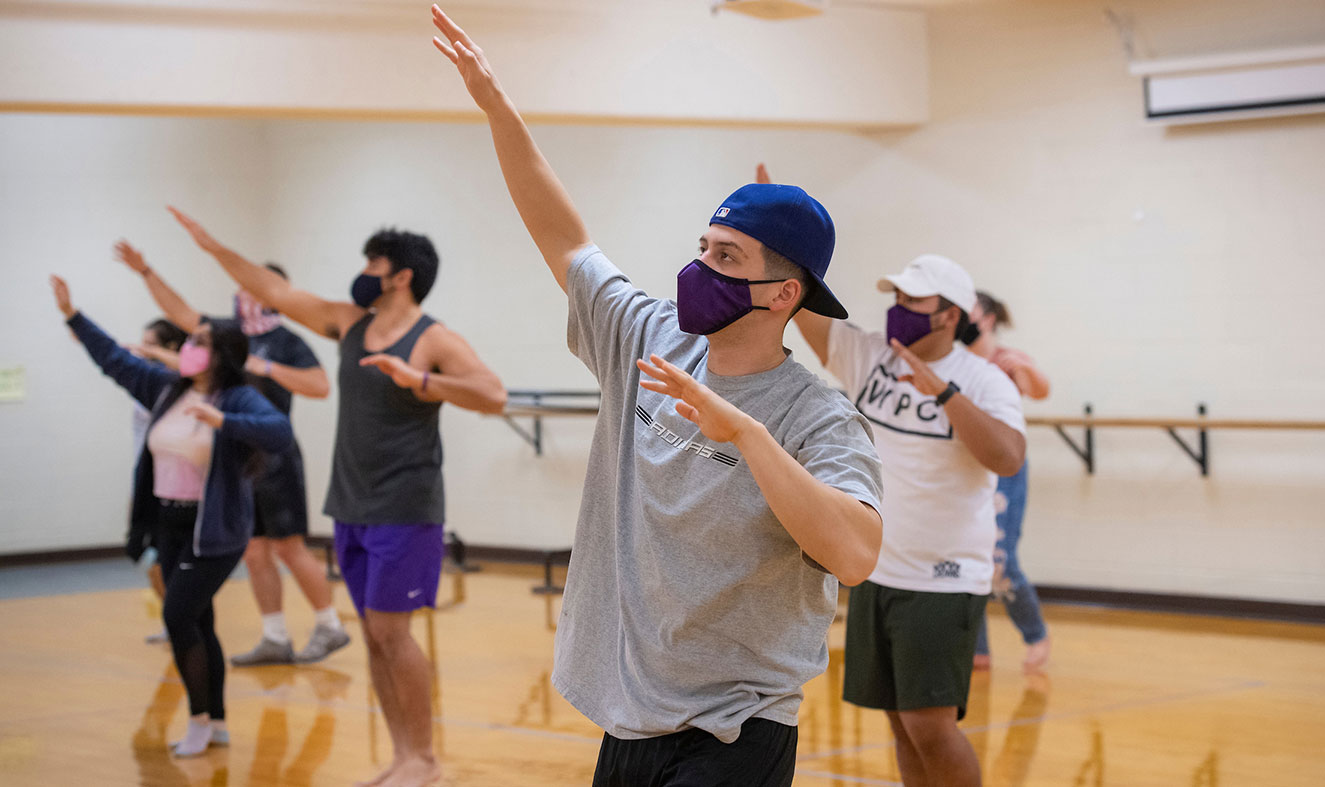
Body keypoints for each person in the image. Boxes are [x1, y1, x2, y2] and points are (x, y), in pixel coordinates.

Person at [431, 8, 885, 784]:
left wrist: (745, 434)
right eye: (703, 246)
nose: (700, 266)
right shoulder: (647, 336)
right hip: (633, 709)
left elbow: (855, 552)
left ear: (781, 295)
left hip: (739, 721)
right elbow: (563, 234)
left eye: (726, 255)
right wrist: (496, 106)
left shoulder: (817, 415)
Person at [164, 206, 508, 787]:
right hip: (351, 506)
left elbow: (492, 395)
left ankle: (425, 761)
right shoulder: (349, 323)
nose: (364, 270)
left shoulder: (434, 338)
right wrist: (211, 246)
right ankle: (402, 758)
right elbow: (274, 288)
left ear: (400, 275)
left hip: (406, 508)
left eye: (374, 261)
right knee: (374, 636)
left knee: (394, 635)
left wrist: (422, 381)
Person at [791, 252, 1026, 787]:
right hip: (876, 571)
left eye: (913, 300)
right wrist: (787, 246)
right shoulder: (870, 355)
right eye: (895, 298)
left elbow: (1008, 457)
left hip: (941, 578)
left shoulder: (983, 380)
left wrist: (943, 393)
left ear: (949, 315)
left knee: (931, 729)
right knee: (900, 725)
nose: (898, 309)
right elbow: (803, 309)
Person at [50, 275, 293, 758]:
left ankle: (199, 719)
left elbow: (279, 431)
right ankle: (218, 722)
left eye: (200, 343)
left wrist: (225, 422)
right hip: (169, 523)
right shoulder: (166, 390)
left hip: (215, 531)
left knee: (177, 613)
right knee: (199, 622)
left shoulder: (236, 398)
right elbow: (115, 361)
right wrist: (73, 316)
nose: (189, 348)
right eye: (190, 342)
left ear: (222, 354)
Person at [114, 240, 349, 665]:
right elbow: (182, 313)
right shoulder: (230, 332)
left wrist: (266, 368)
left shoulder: (286, 341)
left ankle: (330, 624)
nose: (244, 292)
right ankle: (275, 635)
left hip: (274, 456)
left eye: (255, 285)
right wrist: (146, 272)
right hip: (232, 458)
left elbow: (319, 386)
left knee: (289, 547)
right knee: (254, 550)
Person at [967, 291, 1052, 674]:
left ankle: (1035, 634)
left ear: (986, 318)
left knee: (1000, 559)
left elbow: (1040, 390)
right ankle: (977, 647)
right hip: (966, 467)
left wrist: (1027, 371)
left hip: (1004, 469)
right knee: (969, 554)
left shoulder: (1005, 360)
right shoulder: (955, 359)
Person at [129, 317, 190, 643]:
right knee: (152, 561)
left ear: (170, 348)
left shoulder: (177, 382)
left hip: (170, 485)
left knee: (164, 562)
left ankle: (181, 620)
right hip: (146, 481)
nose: (143, 349)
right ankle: (176, 621)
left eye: (150, 343)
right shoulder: (147, 379)